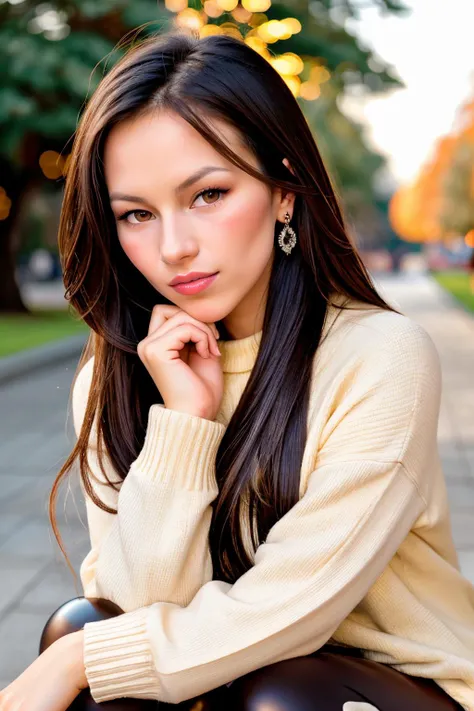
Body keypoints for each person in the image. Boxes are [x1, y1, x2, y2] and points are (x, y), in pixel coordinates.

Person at [2, 29, 474, 711]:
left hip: (390, 685)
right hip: (220, 685)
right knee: (84, 623)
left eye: (208, 195)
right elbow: (135, 611)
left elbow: (294, 606)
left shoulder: (379, 357)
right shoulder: (118, 375)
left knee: (279, 695)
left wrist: (81, 660)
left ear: (284, 191)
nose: (174, 247)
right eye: (136, 214)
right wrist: (183, 423)